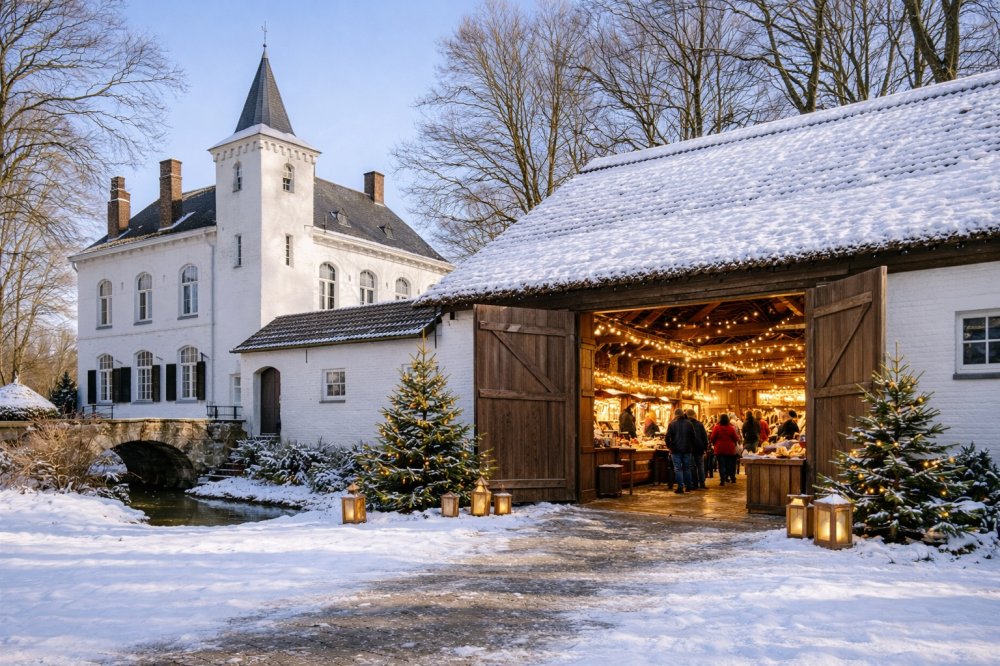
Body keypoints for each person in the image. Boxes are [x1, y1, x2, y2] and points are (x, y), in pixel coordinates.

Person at [665, 408, 696, 494]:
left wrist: (670, 447)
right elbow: (693, 437)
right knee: (687, 468)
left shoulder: (672, 424)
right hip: (687, 449)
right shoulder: (689, 423)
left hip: (675, 450)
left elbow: (667, 437)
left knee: (678, 469)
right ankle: (689, 486)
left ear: (675, 415)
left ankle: (680, 487)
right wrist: (691, 446)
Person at [710, 413, 741, 485]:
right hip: (730, 449)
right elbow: (736, 438)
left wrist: (714, 443)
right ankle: (729, 477)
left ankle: (722, 480)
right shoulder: (731, 428)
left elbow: (712, 438)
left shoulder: (716, 427)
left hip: (719, 449)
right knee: (729, 464)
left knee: (721, 465)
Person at [686, 409, 709, 489]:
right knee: (700, 466)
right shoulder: (700, 424)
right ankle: (702, 483)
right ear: (694, 415)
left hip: (690, 448)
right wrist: (706, 448)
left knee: (692, 466)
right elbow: (704, 437)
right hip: (699, 448)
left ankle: (694, 484)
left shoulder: (686, 424)